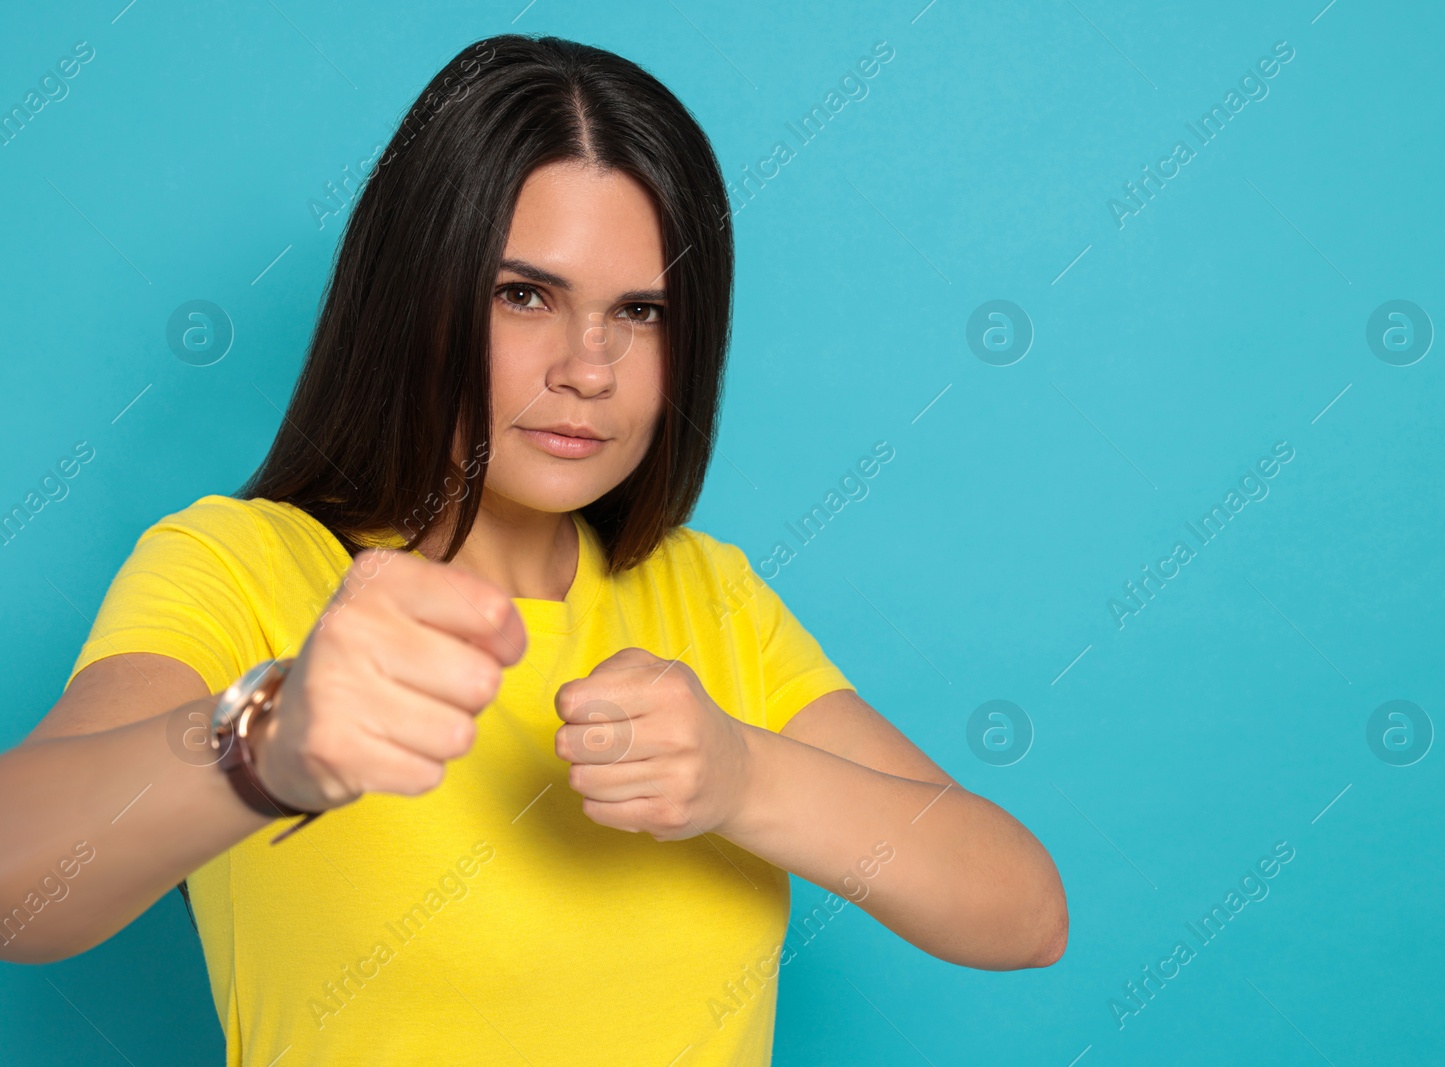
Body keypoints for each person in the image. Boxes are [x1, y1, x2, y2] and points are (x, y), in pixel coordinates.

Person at [0, 33, 1067, 1066]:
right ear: (413, 300)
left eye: (639, 312)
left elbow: (1020, 910)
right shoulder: (241, 565)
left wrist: (744, 774)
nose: (588, 368)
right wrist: (264, 740)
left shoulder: (709, 598)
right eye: (523, 295)